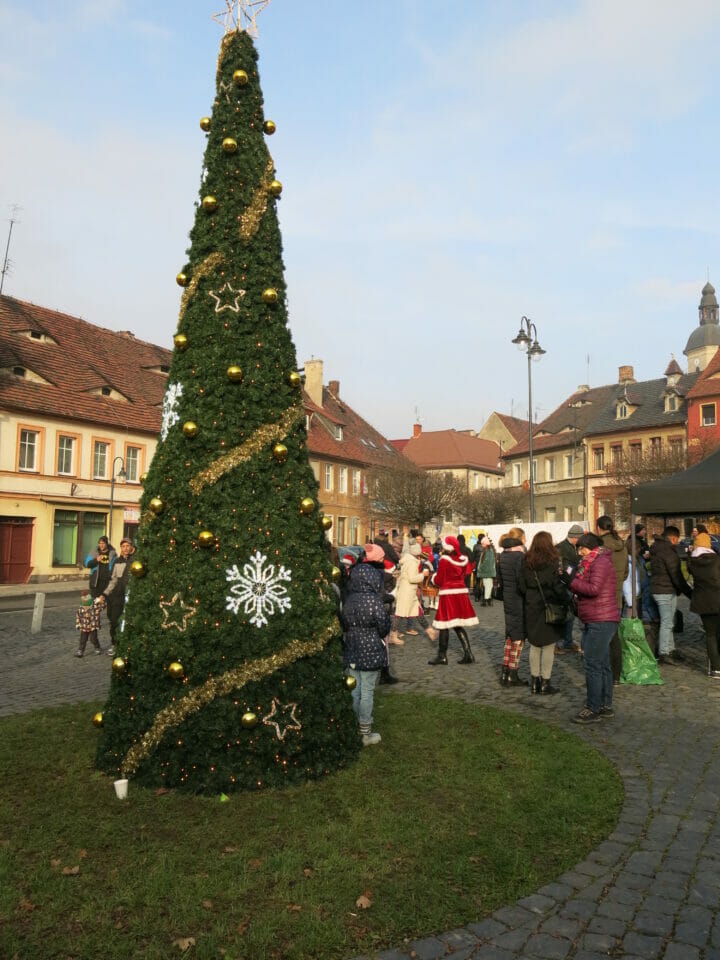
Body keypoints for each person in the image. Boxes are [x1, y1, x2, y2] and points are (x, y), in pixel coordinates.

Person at [341, 547, 392, 746]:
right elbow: (384, 626)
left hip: (353, 648)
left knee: (355, 689)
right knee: (367, 691)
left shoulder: (349, 600)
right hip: (371, 650)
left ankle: (353, 726)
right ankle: (365, 731)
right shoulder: (375, 601)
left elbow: (344, 623)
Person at [570, 533, 620, 724]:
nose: (580, 553)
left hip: (601, 618)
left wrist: (571, 582)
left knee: (592, 664)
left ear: (590, 547)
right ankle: (605, 704)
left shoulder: (599, 563)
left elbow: (593, 589)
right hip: (597, 617)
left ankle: (593, 707)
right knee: (602, 663)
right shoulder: (593, 562)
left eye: (582, 548)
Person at [518, 532, 568, 694]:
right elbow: (557, 585)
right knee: (548, 645)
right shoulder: (553, 561)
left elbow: (521, 585)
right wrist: (565, 600)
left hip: (532, 605)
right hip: (549, 604)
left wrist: (529, 595)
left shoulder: (526, 560)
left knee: (534, 644)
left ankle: (534, 681)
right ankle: (545, 682)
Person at [425, 535, 478, 665]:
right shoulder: (463, 560)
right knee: (457, 624)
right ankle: (468, 654)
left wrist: (433, 578)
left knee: (443, 624)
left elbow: (439, 580)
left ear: (447, 547)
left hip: (448, 594)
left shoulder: (444, 560)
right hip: (461, 593)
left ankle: (442, 656)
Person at [649, 525, 692, 665]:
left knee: (669, 622)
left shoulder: (657, 547)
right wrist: (689, 593)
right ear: (673, 538)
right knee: (667, 622)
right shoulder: (668, 551)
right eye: (677, 540)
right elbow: (676, 574)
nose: (677, 543)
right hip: (665, 591)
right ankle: (664, 652)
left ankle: (670, 649)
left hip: (661, 589)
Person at [596, 515, 627, 682]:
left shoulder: (600, 546)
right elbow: (626, 572)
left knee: (601, 637)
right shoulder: (621, 544)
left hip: (602, 597)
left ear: (599, 528)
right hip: (617, 595)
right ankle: (616, 674)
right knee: (614, 637)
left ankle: (603, 672)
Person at [497, 527, 527, 685]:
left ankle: (505, 670)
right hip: (518, 600)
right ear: (520, 538)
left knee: (510, 635)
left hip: (508, 598)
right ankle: (513, 673)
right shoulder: (519, 556)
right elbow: (522, 581)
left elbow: (500, 580)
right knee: (518, 636)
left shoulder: (503, 555)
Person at [688, 532, 720, 678]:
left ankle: (716, 668)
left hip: (704, 602)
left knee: (710, 634)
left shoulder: (692, 563)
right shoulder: (717, 560)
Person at [95, 537, 135, 656]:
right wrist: (104, 594)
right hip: (118, 595)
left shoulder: (136, 561)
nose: (125, 548)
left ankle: (128, 645)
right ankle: (115, 644)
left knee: (130, 622)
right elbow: (113, 580)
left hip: (132, 596)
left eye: (127, 546)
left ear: (132, 547)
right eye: (123, 546)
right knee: (114, 620)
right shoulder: (118, 561)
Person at [555, 524, 584, 653]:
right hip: (564, 585)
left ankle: (568, 641)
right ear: (574, 537)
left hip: (572, 584)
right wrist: (573, 575)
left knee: (570, 615)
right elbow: (565, 568)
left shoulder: (576, 547)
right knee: (561, 615)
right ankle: (557, 643)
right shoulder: (561, 548)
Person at [394, 543, 426, 636]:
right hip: (408, 590)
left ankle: (406, 629)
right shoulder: (412, 562)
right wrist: (423, 575)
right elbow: (412, 578)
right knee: (402, 612)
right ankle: (394, 632)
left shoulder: (408, 560)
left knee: (412, 610)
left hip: (406, 589)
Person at [85, 536, 117, 600]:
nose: (101, 545)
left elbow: (115, 567)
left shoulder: (112, 553)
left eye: (103, 543)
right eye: (100, 543)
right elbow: (87, 564)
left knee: (106, 602)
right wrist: (96, 560)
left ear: (107, 544)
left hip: (107, 583)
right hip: (96, 582)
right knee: (95, 602)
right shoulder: (94, 552)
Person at [75, 592, 103, 656]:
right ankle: (80, 650)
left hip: (93, 626)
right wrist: (78, 624)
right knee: (82, 640)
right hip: (84, 627)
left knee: (93, 639)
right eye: (84, 606)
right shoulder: (80, 608)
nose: (85, 607)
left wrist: (100, 600)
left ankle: (97, 647)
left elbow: (103, 606)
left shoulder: (95, 607)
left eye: (87, 606)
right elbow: (78, 616)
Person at [474, 536, 497, 605]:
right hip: (489, 571)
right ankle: (488, 599)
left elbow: (485, 562)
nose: (482, 545)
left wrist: (480, 569)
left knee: (487, 585)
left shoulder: (487, 551)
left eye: (483, 544)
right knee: (489, 585)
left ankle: (486, 600)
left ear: (485, 543)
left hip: (486, 572)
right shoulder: (491, 550)